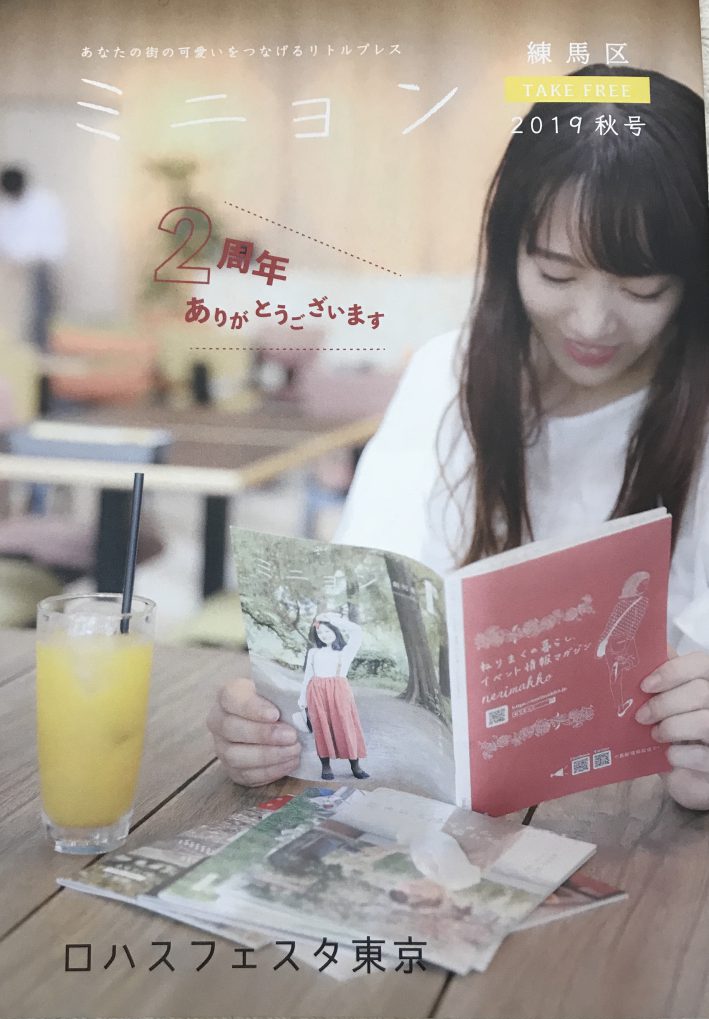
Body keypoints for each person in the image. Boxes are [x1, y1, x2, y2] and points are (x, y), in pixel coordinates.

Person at [206, 64, 709, 811]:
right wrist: (267, 724)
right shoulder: (446, 374)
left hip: (635, 828)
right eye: (556, 275)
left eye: (642, 290)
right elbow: (351, 624)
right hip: (437, 820)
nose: (592, 323)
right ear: (509, 251)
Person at [0, 166, 66, 351]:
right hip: (14, 268)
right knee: (18, 315)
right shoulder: (6, 207)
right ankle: (23, 349)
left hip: (41, 265)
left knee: (40, 312)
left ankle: (40, 349)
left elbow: (53, 238)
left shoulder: (44, 203)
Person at [298, 612, 369, 781]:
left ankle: (355, 766)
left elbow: (357, 631)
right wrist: (302, 699)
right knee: (321, 727)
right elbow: (308, 676)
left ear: (335, 631)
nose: (324, 635)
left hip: (339, 692)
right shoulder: (314, 652)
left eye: (328, 631)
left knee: (346, 727)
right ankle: (326, 766)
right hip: (316, 692)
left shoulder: (345, 652)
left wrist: (332, 619)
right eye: (320, 632)